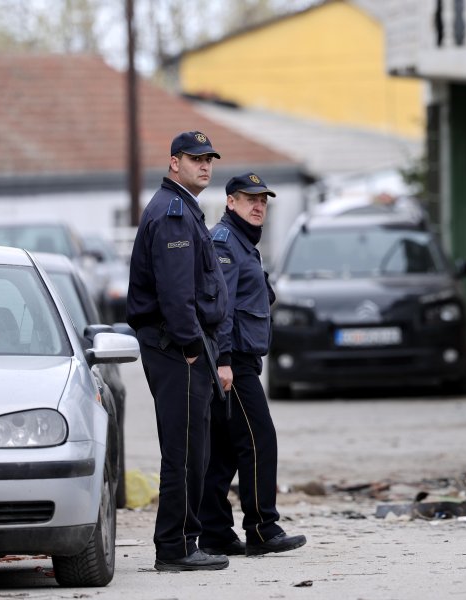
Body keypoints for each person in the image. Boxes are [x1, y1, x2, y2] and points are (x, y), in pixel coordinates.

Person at [126, 131, 230, 572]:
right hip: (176, 346)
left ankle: (184, 540)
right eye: (195, 159)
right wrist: (190, 345)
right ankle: (175, 546)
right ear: (174, 163)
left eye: (209, 159)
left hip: (182, 344)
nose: (204, 166)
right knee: (184, 450)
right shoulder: (172, 214)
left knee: (194, 448)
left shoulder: (184, 208)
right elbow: (174, 291)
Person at [198, 172, 307, 557]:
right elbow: (219, 309)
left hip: (240, 360)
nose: (258, 206)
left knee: (227, 450)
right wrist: (224, 361)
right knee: (260, 439)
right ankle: (262, 528)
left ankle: (214, 533)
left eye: (263, 200)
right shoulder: (225, 243)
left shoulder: (244, 243)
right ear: (230, 203)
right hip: (234, 363)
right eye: (249, 200)